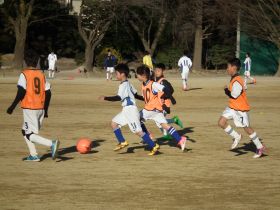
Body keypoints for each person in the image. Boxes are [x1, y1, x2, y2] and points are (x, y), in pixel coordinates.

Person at [6, 49, 60, 162]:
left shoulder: (24, 74)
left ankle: (51, 143)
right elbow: (48, 93)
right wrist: (45, 109)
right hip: (40, 107)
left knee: (29, 133)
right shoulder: (41, 74)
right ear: (37, 62)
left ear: (25, 61)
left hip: (29, 107)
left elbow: (21, 91)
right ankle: (33, 155)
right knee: (24, 131)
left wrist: (12, 106)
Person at [99, 63, 160, 155]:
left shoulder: (123, 85)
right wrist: (146, 99)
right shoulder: (128, 83)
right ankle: (122, 141)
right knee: (114, 123)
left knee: (138, 131)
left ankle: (153, 145)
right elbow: (136, 95)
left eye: (117, 73)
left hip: (130, 110)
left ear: (122, 74)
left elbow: (119, 97)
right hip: (126, 110)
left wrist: (105, 98)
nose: (116, 75)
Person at [218, 58, 265, 158]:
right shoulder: (235, 78)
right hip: (232, 107)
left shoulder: (237, 80)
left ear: (234, 68)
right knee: (221, 122)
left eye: (228, 67)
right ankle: (237, 136)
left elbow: (234, 95)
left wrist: (226, 90)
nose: (227, 69)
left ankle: (260, 146)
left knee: (247, 128)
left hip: (240, 109)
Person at [136, 65, 187, 151]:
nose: (136, 76)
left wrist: (172, 98)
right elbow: (145, 98)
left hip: (150, 110)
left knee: (136, 119)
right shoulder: (144, 85)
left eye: (137, 74)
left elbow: (165, 89)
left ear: (143, 75)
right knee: (165, 126)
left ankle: (148, 136)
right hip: (157, 111)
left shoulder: (153, 84)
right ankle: (180, 139)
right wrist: (135, 96)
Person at [154, 63, 184, 140]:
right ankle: (174, 121)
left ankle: (167, 134)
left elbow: (171, 90)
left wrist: (164, 96)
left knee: (159, 121)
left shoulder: (163, 81)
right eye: (156, 70)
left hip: (164, 104)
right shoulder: (155, 81)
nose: (157, 72)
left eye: (159, 71)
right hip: (158, 104)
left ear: (162, 71)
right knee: (160, 121)